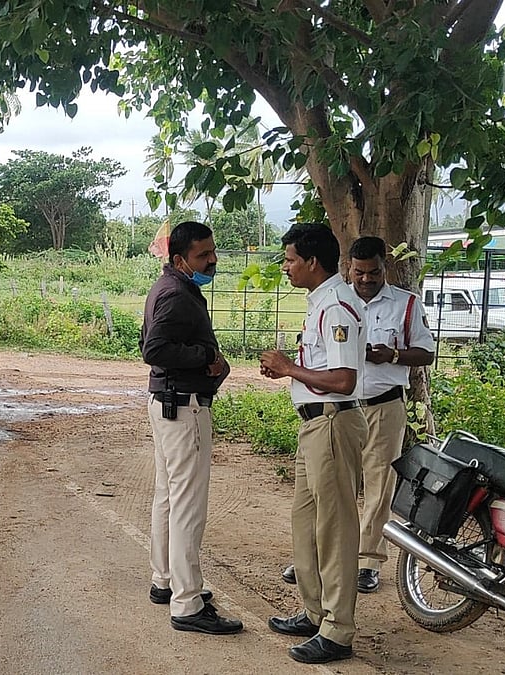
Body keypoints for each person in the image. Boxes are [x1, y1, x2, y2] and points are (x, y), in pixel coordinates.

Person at [278, 236, 436, 593]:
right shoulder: (336, 300)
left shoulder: (404, 304)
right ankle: (320, 558)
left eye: (374, 272)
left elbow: (426, 352)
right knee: (331, 491)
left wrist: (392, 355)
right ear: (348, 267)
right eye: (360, 272)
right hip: (341, 408)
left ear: (385, 268)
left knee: (379, 485)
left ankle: (366, 561)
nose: (366, 279)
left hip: (382, 403)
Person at [259, 223, 366, 664]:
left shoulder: (338, 307)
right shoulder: (321, 302)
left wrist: (289, 369)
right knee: (306, 523)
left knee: (335, 528)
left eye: (290, 260)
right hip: (314, 426)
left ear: (312, 262)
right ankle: (314, 610)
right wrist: (292, 372)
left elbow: (344, 380)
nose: (285, 268)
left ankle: (338, 630)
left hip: (333, 425)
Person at [139, 220, 242, 636]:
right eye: (203, 255)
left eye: (212, 252)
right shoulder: (176, 295)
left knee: (168, 497)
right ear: (180, 260)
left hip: (168, 404)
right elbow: (154, 348)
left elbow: (149, 341)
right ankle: (187, 602)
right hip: (183, 408)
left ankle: (166, 581)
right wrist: (205, 358)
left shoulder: (169, 287)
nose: (212, 260)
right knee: (187, 506)